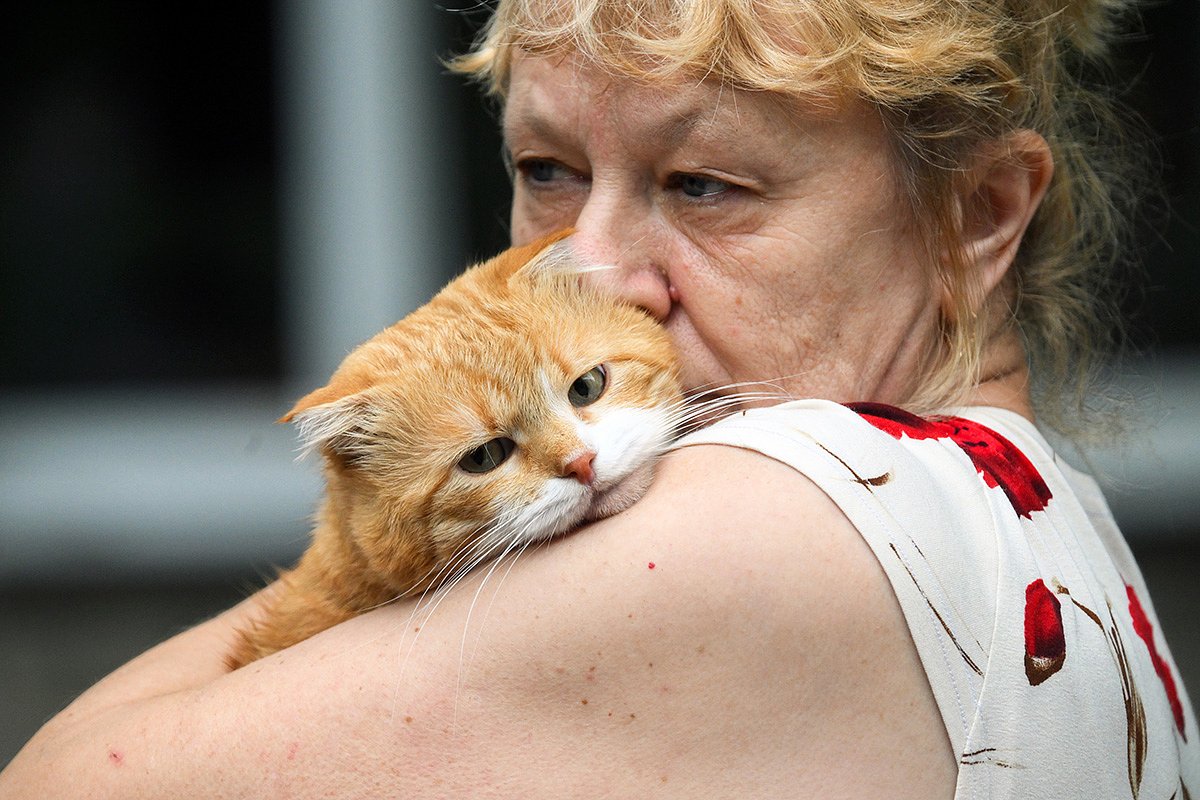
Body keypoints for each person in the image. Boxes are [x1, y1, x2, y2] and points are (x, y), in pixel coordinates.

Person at [2, 0, 1196, 796]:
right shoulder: (1044, 518)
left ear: (977, 214)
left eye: (706, 182)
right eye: (546, 170)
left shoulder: (776, 520)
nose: (600, 266)